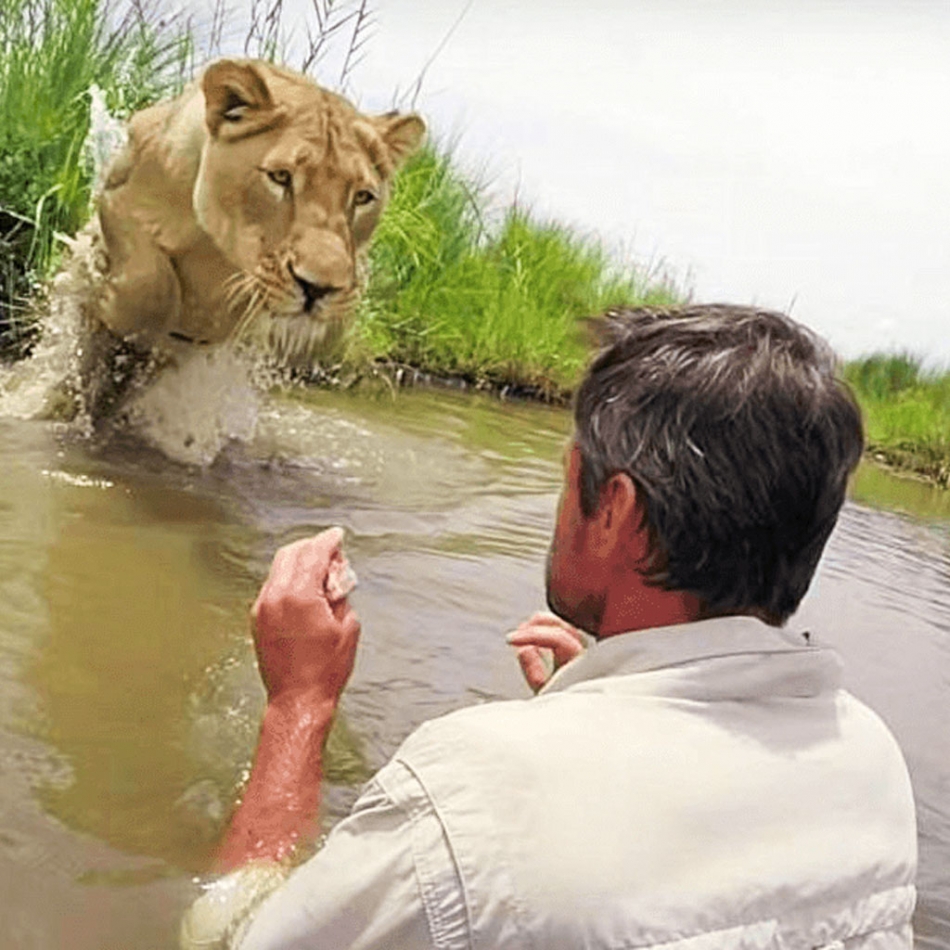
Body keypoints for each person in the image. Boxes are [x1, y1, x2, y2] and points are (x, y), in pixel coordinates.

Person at [181, 304, 917, 950]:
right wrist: (589, 707)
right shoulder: (873, 761)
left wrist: (299, 702)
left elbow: (229, 940)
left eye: (567, 478)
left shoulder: (476, 789)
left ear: (617, 514)